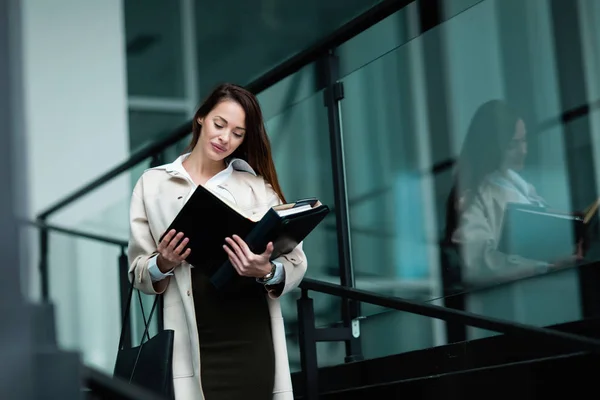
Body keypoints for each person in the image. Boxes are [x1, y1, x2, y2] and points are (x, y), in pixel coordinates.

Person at [128, 83, 307, 400]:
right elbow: (137, 273)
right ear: (201, 118)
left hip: (250, 331)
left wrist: (266, 270)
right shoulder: (153, 184)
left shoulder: (257, 187)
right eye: (219, 124)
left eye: (237, 133)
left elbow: (296, 262)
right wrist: (163, 262)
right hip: (193, 337)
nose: (225, 138)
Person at [444, 100, 580, 284]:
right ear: (492, 146)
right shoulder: (472, 193)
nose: (523, 151)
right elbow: (479, 260)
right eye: (512, 145)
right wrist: (543, 267)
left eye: (523, 140)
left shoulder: (519, 184)